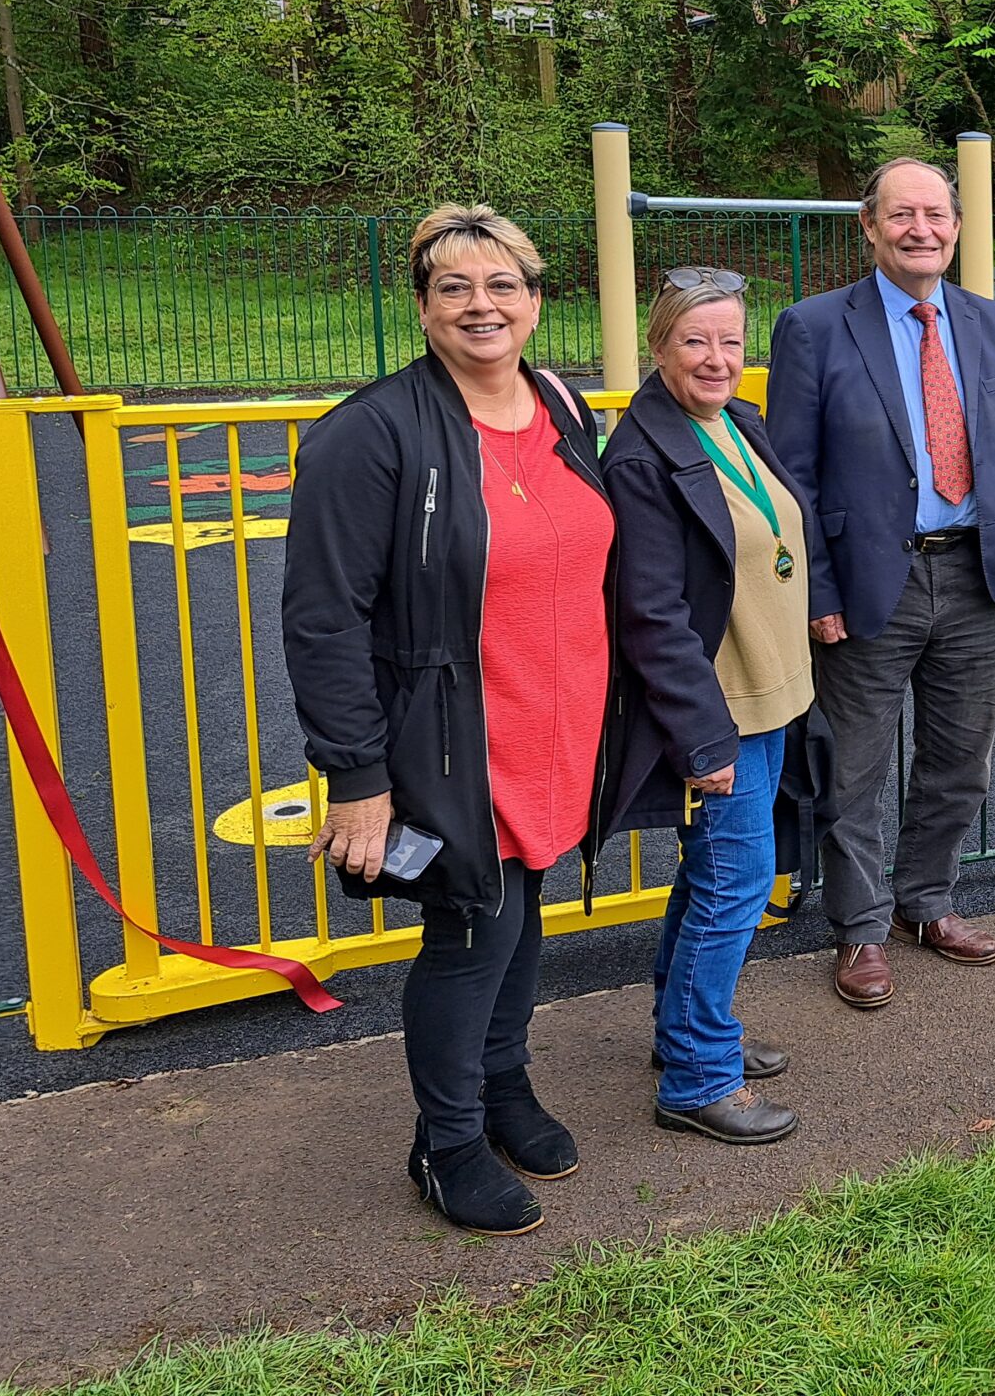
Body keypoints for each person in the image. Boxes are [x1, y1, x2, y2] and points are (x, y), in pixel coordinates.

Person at [283, 206, 612, 1236]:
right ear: (423, 308)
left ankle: (504, 1085)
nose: (483, 305)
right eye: (457, 288)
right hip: (448, 737)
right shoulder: (371, 434)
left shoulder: (560, 405)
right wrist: (357, 775)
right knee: (471, 927)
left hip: (556, 717)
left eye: (502, 284)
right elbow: (324, 616)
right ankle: (448, 1140)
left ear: (534, 300)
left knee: (522, 914)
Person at [766, 159, 995, 1007]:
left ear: (957, 227)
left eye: (938, 215)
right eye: (903, 215)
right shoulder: (813, 327)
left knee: (961, 761)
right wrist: (816, 591)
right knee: (853, 770)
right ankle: (859, 929)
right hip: (866, 582)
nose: (923, 229)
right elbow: (792, 477)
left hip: (976, 575)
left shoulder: (994, 326)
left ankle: (927, 901)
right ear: (869, 226)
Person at [602, 270, 812, 1146]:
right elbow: (648, 611)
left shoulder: (733, 423)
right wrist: (700, 734)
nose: (718, 358)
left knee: (711, 879)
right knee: (733, 887)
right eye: (696, 341)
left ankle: (685, 1030)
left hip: (767, 691)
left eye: (731, 341)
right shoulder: (644, 455)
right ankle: (698, 1076)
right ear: (659, 347)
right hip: (721, 707)